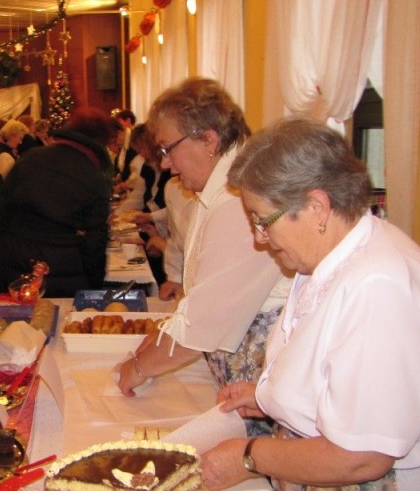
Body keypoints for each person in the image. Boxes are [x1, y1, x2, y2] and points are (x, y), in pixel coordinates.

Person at [202, 118, 420, 491]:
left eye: (263, 220)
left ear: (317, 207)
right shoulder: (331, 259)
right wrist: (269, 397)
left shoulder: (380, 286)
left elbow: (362, 456)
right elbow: (332, 367)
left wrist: (249, 456)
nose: (259, 238)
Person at [117, 78, 291, 424]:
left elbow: (205, 322)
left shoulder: (238, 199)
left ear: (209, 140)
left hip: (266, 391)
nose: (165, 164)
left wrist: (137, 368)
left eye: (168, 149)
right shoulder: (219, 191)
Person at [0, 107, 112, 296]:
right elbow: (94, 243)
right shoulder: (95, 180)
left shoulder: (31, 158)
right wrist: (93, 287)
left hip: (8, 268)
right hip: (61, 276)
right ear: (101, 141)